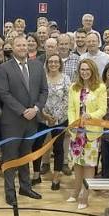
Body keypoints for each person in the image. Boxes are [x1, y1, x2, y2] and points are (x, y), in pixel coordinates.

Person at [0, 36, 48, 206]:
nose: (22, 48)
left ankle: (25, 187)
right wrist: (21, 111)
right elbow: (4, 93)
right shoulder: (4, 68)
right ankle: (9, 191)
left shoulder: (37, 66)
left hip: (32, 120)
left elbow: (44, 91)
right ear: (12, 47)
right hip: (12, 121)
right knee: (10, 157)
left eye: (24, 45)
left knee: (26, 155)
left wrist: (36, 109)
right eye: (18, 45)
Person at [66, 59, 107, 210]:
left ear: (93, 70)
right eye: (82, 69)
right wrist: (73, 124)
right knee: (77, 163)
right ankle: (75, 190)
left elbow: (102, 110)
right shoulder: (74, 87)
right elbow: (70, 108)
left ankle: (85, 194)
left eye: (87, 69)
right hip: (77, 132)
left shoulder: (100, 88)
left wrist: (90, 115)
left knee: (89, 165)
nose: (84, 72)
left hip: (91, 133)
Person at [36, 54, 70, 190]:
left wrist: (55, 117)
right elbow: (37, 96)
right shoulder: (41, 78)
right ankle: (36, 175)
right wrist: (44, 114)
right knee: (38, 145)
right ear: (47, 63)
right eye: (51, 62)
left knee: (58, 148)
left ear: (60, 63)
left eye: (56, 61)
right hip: (42, 117)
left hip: (60, 119)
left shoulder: (66, 79)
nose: (53, 64)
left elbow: (67, 99)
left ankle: (56, 177)